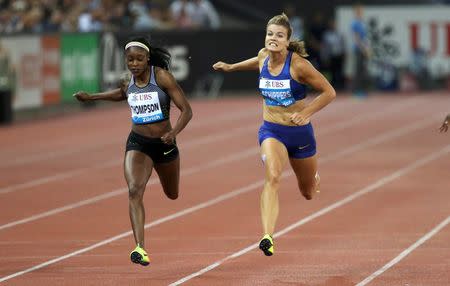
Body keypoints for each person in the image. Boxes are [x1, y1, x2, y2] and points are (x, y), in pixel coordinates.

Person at [212, 13, 336, 256]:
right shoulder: (262, 56)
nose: (273, 39)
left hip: (300, 134)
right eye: (270, 34)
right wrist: (231, 67)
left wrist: (308, 113)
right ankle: (267, 235)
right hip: (271, 130)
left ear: (287, 41)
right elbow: (254, 61)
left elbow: (329, 92)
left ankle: (313, 178)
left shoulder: (298, 65)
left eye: (279, 35)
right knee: (273, 177)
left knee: (308, 192)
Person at [73, 37, 193, 266]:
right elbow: (121, 93)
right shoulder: (128, 79)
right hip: (138, 143)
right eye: (130, 60)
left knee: (172, 194)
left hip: (165, 144)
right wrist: (92, 97)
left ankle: (141, 243)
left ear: (147, 58)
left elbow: (186, 110)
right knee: (134, 190)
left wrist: (174, 131)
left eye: (139, 59)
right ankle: (140, 247)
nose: (135, 64)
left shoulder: (162, 77)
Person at [351, 3, 371, 97]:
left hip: (364, 49)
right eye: (358, 11)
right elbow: (357, 38)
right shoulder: (354, 23)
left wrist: (367, 48)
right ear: (356, 12)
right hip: (358, 49)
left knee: (363, 70)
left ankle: (362, 90)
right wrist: (363, 49)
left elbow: (365, 38)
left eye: (361, 11)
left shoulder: (362, 23)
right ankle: (356, 91)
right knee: (358, 71)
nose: (360, 13)